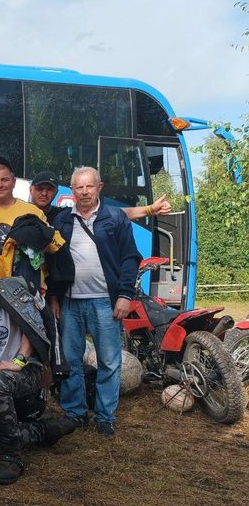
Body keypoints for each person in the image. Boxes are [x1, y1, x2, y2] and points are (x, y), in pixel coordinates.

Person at [0, 244, 76, 485]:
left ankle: (12, 457)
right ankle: (45, 431)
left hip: (29, 368)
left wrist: (19, 360)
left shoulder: (13, 288)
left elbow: (34, 325)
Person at [49, 166, 142, 437]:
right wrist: (54, 296)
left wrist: (125, 295)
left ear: (99, 187)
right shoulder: (63, 221)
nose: (85, 191)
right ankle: (75, 413)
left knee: (109, 361)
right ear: (72, 190)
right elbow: (53, 262)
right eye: (79, 187)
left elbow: (130, 258)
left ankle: (105, 416)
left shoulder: (114, 218)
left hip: (105, 302)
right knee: (71, 360)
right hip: (70, 302)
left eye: (90, 186)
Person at [28, 170, 173, 225]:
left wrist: (149, 210)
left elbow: (116, 214)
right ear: (31, 189)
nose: (44, 193)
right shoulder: (19, 212)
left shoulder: (62, 215)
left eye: (49, 189)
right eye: (40, 189)